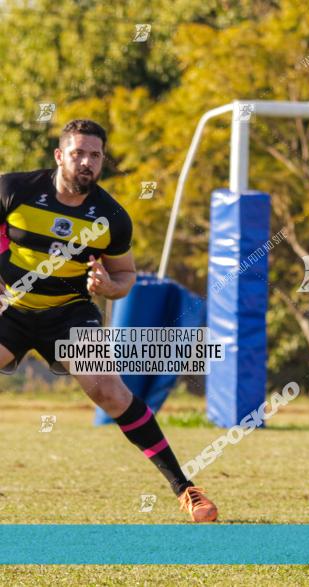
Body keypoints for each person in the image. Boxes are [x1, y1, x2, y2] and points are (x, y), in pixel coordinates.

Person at [0, 119, 217, 522]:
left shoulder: (112, 217)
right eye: (78, 153)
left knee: (112, 394)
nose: (86, 162)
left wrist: (108, 285)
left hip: (70, 313)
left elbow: (125, 277)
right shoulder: (13, 190)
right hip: (11, 308)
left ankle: (186, 489)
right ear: (59, 155)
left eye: (95, 155)